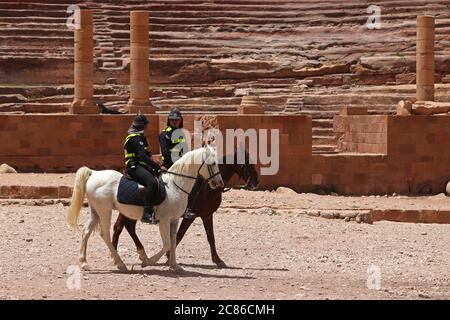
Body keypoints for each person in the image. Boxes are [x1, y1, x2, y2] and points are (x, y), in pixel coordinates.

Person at [159, 107, 196, 219]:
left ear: (180, 121)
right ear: (168, 121)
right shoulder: (165, 134)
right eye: (172, 120)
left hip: (182, 165)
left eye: (177, 120)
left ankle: (187, 208)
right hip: (170, 164)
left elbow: (186, 150)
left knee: (191, 184)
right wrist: (176, 166)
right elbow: (165, 152)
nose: (174, 122)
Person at [124, 113, 161, 224]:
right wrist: (155, 167)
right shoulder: (135, 138)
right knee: (152, 183)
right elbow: (142, 156)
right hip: (134, 167)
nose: (146, 128)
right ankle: (146, 214)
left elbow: (146, 154)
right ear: (142, 126)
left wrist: (156, 163)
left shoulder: (138, 137)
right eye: (145, 125)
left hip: (139, 165)